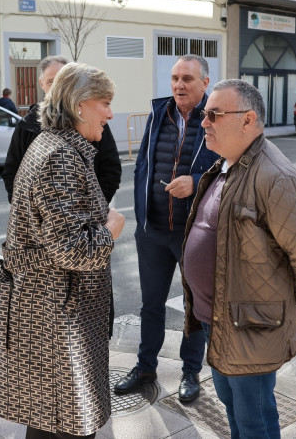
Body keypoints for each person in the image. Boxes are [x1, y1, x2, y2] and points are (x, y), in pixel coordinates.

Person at [182, 79, 296, 437]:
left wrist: (286, 296)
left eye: (214, 114)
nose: (204, 122)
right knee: (234, 410)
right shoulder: (227, 165)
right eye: (205, 114)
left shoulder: (276, 177)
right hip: (218, 320)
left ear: (248, 120)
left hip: (250, 326)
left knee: (255, 421)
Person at [0, 62, 126, 439]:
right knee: (64, 421)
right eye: (105, 103)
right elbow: (72, 250)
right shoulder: (60, 156)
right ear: (80, 105)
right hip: (57, 313)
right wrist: (112, 228)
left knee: (49, 418)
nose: (111, 113)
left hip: (50, 307)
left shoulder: (57, 146)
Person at [113, 54, 218, 403]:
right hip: (153, 230)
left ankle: (191, 373)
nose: (178, 85)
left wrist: (196, 181)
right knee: (151, 305)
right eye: (174, 78)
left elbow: (232, 170)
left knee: (195, 306)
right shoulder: (159, 113)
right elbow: (143, 161)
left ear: (205, 82)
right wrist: (142, 215)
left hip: (194, 234)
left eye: (187, 78)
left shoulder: (216, 118)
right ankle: (145, 367)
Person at [3, 55, 121, 205]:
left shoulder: (92, 126)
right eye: (52, 81)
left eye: (65, 81)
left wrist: (98, 208)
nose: (58, 87)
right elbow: (64, 221)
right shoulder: (58, 149)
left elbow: (110, 170)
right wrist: (110, 227)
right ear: (41, 83)